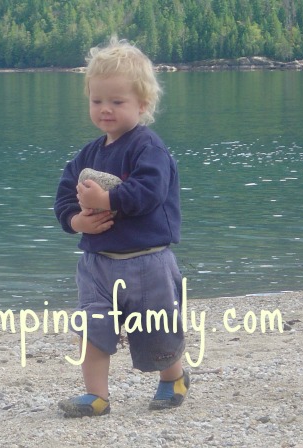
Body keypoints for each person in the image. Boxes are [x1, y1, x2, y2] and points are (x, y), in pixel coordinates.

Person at [54, 36, 189, 418]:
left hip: (148, 262)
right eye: (97, 101)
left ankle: (173, 376)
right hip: (96, 263)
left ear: (143, 105)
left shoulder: (149, 148)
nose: (105, 110)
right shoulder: (89, 153)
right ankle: (97, 395)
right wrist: (76, 220)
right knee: (91, 326)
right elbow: (64, 194)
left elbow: (149, 192)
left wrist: (107, 201)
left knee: (157, 332)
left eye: (117, 102)